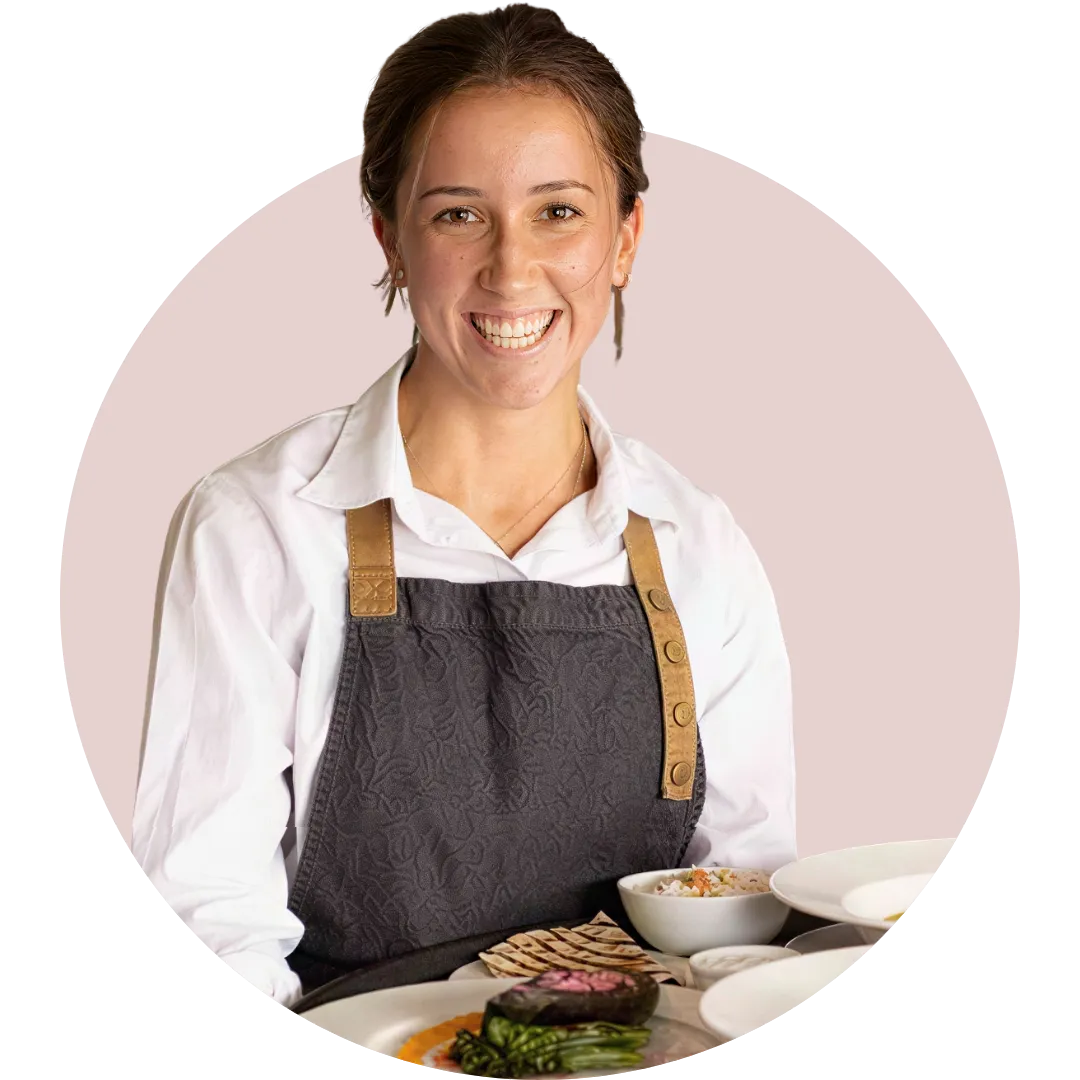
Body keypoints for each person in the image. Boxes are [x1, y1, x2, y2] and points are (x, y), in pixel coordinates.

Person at [131, 3, 796, 1013]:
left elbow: (740, 918)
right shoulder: (259, 525)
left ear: (626, 238)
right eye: (457, 214)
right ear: (390, 239)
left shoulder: (699, 546)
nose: (511, 269)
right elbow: (208, 916)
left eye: (559, 212)